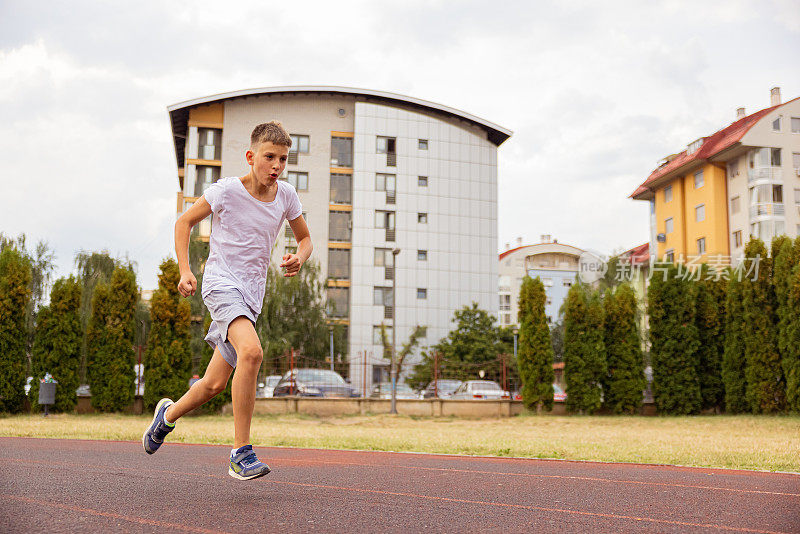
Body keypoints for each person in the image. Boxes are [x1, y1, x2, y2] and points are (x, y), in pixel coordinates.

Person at [142, 121, 312, 480]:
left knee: (213, 385)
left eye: (283, 159)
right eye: (270, 157)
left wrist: (301, 255)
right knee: (252, 352)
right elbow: (184, 222)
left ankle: (166, 417)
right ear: (251, 157)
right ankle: (241, 454)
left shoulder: (287, 196)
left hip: (251, 297)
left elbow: (305, 239)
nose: (277, 166)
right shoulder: (226, 191)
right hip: (220, 285)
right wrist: (185, 270)